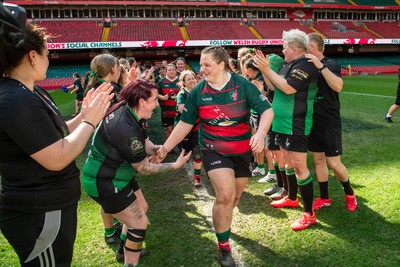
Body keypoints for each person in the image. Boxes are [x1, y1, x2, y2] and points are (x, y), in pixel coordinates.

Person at [0, 8, 114, 266]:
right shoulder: (14, 99)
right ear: (32, 56)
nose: (49, 59)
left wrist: (82, 116)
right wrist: (90, 120)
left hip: (50, 206)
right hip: (39, 212)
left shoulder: (29, 91)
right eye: (46, 54)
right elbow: (57, 157)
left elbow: (57, 132)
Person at [156, 46, 273, 267]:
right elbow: (185, 124)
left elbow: (267, 110)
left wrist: (261, 133)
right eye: (201, 64)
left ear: (221, 64)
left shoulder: (242, 85)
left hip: (241, 151)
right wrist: (164, 148)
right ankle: (223, 247)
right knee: (225, 195)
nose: (202, 69)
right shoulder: (198, 91)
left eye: (207, 64)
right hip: (214, 150)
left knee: (235, 198)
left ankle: (225, 222)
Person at [81, 79, 191, 267]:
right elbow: (143, 168)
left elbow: (144, 139)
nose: (157, 104)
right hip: (105, 182)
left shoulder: (128, 110)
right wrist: (174, 165)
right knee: (139, 223)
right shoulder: (125, 127)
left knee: (142, 207)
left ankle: (123, 250)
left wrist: (155, 148)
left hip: (118, 174)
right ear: (141, 101)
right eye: (155, 100)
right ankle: (129, 262)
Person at [254, 29, 319, 231]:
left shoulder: (305, 64)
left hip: (295, 123)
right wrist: (265, 69)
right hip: (281, 122)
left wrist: (268, 68)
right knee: (288, 162)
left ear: (292, 47)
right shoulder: (287, 65)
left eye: (283, 46)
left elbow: (290, 88)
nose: (282, 50)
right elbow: (275, 88)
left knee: (300, 166)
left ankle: (309, 214)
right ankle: (291, 197)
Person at [305, 33, 358, 212]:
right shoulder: (305, 66)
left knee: (334, 163)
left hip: (329, 121)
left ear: (312, 47)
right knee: (318, 160)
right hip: (313, 120)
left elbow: (338, 86)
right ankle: (325, 198)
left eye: (305, 45)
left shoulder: (330, 64)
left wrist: (320, 67)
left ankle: (350, 193)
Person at [175, 70, 203, 187]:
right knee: (186, 151)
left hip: (197, 126)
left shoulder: (199, 92)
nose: (192, 81)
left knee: (197, 151)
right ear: (184, 83)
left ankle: (197, 177)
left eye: (193, 78)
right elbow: (182, 109)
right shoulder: (181, 94)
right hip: (184, 127)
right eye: (188, 79)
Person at [157, 63, 179, 140]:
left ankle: (180, 146)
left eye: (173, 70)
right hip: (166, 111)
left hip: (178, 111)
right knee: (169, 129)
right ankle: (169, 149)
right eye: (169, 70)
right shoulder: (161, 82)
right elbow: (157, 94)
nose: (171, 71)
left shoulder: (180, 81)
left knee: (178, 130)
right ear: (166, 72)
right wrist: (162, 97)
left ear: (176, 71)